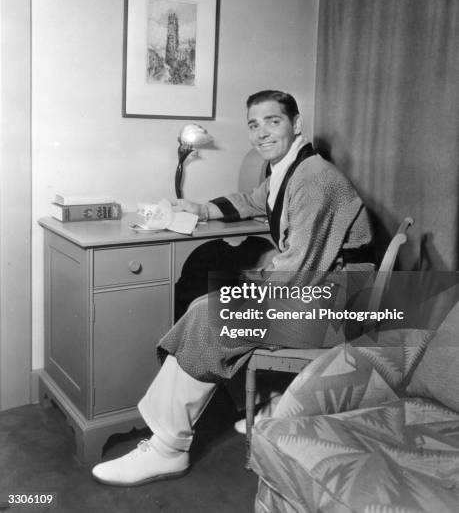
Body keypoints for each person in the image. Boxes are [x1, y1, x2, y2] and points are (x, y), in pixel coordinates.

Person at [92, 90, 373, 486]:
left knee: (211, 313)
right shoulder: (289, 169)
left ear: (296, 124)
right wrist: (203, 208)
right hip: (328, 289)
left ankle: (167, 449)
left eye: (272, 122)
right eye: (253, 125)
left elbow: (299, 271)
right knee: (207, 304)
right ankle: (261, 404)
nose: (261, 133)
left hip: (340, 306)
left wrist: (248, 287)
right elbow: (255, 200)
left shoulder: (315, 179)